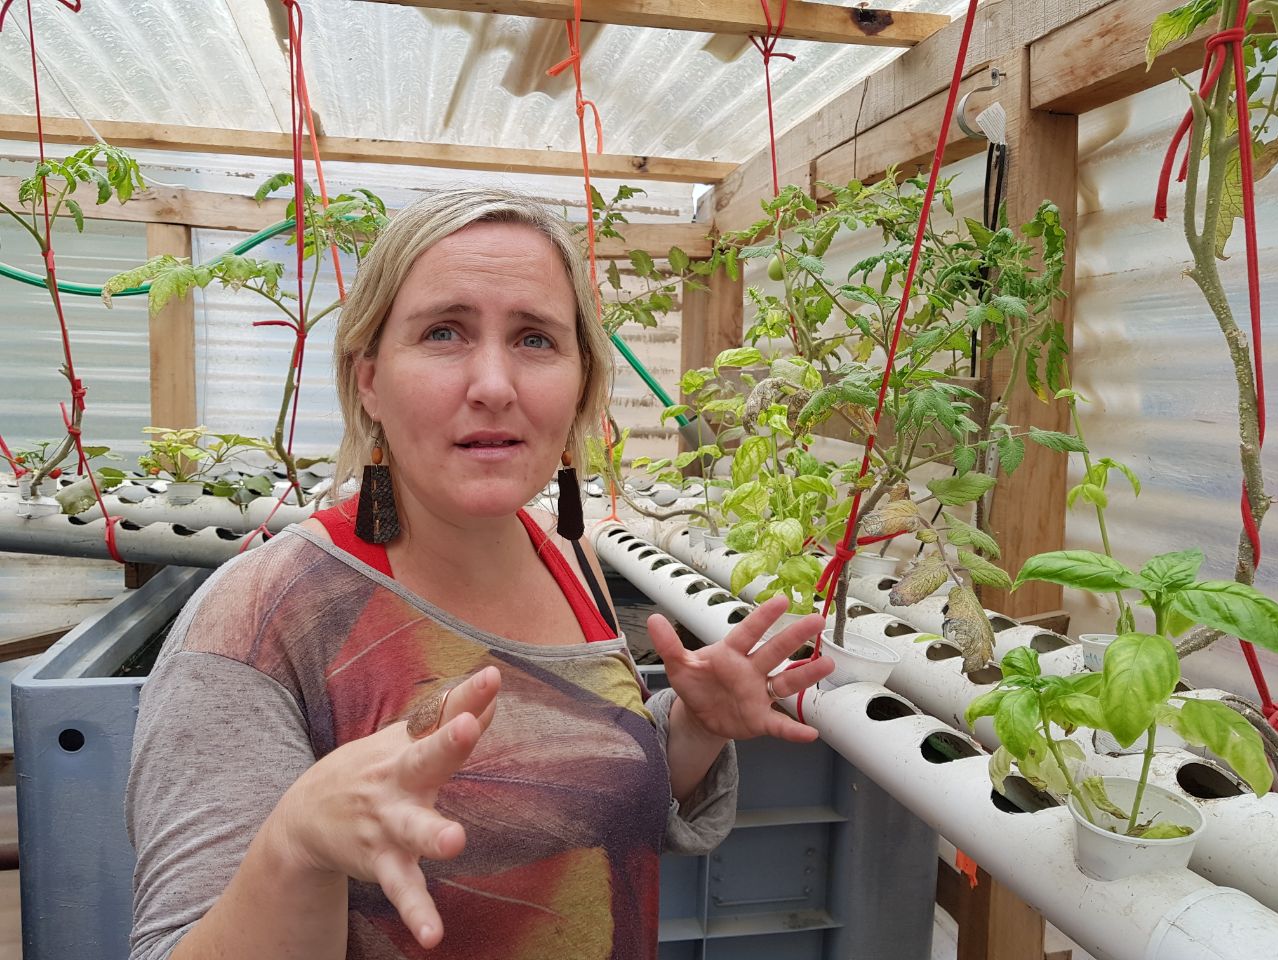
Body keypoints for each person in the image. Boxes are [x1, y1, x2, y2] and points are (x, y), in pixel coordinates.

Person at [125, 187, 834, 960]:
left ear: (580, 383)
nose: (495, 384)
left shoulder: (569, 557)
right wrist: (295, 845)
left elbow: (581, 817)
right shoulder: (261, 622)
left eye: (535, 340)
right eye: (443, 333)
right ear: (368, 378)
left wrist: (688, 732)